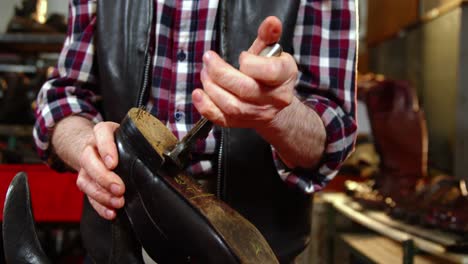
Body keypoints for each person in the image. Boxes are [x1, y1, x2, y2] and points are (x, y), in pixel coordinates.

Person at [33, 0, 358, 262]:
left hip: (248, 250)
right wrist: (88, 146)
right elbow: (63, 96)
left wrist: (279, 116)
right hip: (120, 244)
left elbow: (334, 134)